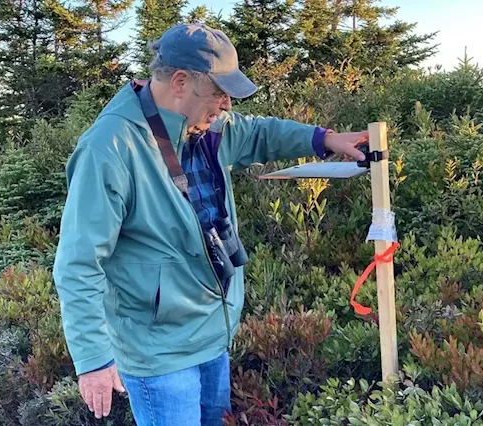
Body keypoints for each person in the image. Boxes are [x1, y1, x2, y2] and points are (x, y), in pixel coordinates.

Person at [52, 23, 368, 426]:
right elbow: (79, 263)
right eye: (219, 93)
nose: (226, 106)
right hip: (159, 354)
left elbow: (258, 132)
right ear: (180, 82)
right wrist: (94, 359)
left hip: (212, 335)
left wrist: (324, 139)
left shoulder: (206, 126)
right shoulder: (109, 148)